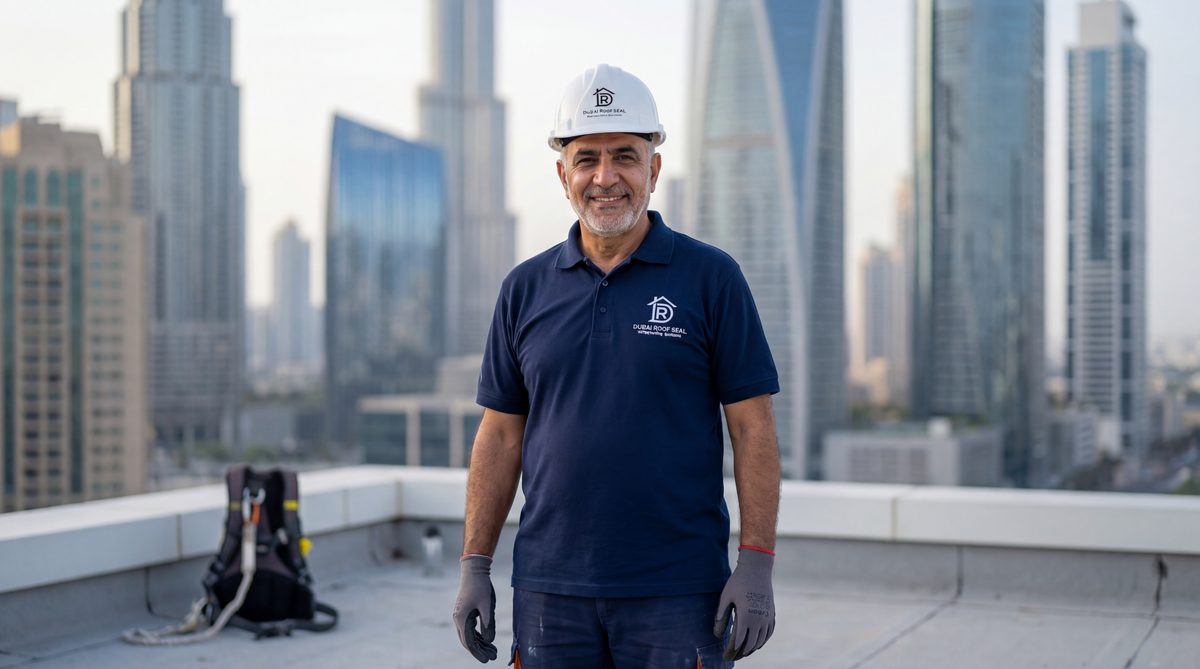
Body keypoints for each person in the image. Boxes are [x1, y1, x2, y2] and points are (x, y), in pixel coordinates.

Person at [452, 64, 781, 668]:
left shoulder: (712, 278)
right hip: (550, 589)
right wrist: (475, 564)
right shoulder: (523, 289)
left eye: (625, 156)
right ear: (564, 176)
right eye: (587, 159)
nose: (606, 177)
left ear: (653, 169)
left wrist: (756, 562)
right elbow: (499, 436)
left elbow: (752, 428)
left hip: (680, 589)